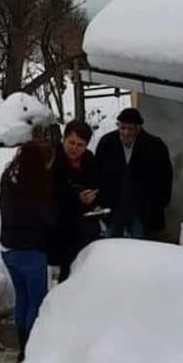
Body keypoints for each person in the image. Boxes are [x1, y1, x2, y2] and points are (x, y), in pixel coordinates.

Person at [0, 141, 55, 362]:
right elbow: (48, 217)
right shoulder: (36, 185)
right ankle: (31, 349)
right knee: (36, 301)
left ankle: (21, 344)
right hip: (30, 250)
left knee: (21, 298)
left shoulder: (10, 177)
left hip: (8, 248)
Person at [95, 107, 173, 240]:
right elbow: (97, 173)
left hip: (143, 209)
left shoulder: (154, 146)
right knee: (110, 243)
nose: (125, 133)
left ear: (138, 128)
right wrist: (99, 201)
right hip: (114, 206)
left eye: (130, 129)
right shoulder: (107, 143)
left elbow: (165, 177)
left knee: (142, 245)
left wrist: (159, 204)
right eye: (122, 128)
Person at [50, 120, 102, 282]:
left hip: (87, 224)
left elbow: (98, 183)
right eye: (71, 143)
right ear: (64, 140)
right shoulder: (53, 160)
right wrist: (76, 198)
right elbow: (51, 192)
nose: (74, 148)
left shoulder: (89, 159)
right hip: (61, 228)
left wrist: (95, 197)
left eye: (80, 145)